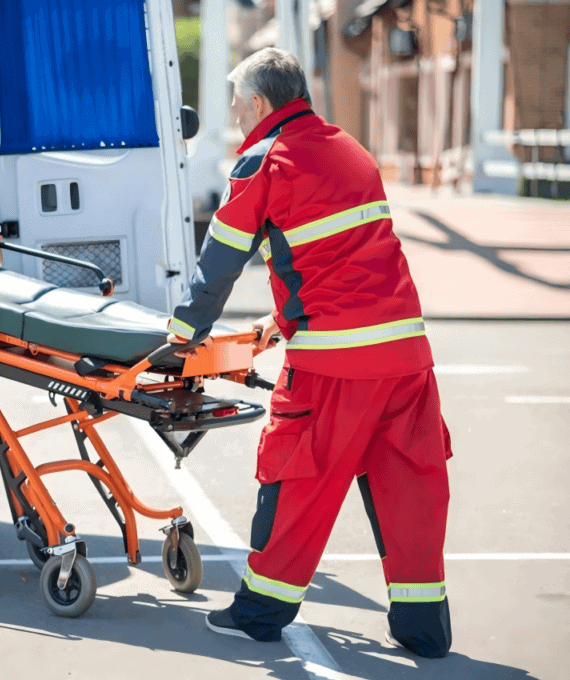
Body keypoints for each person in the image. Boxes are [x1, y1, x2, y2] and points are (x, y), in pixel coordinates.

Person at [166, 48, 452, 659]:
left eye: (238, 103)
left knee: (298, 484)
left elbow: (220, 258)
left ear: (261, 104)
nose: (236, 116)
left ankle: (260, 613)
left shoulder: (265, 159)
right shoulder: (350, 149)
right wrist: (281, 318)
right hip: (405, 354)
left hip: (334, 365)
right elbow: (347, 258)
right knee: (410, 488)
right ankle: (425, 629)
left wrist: (185, 330)